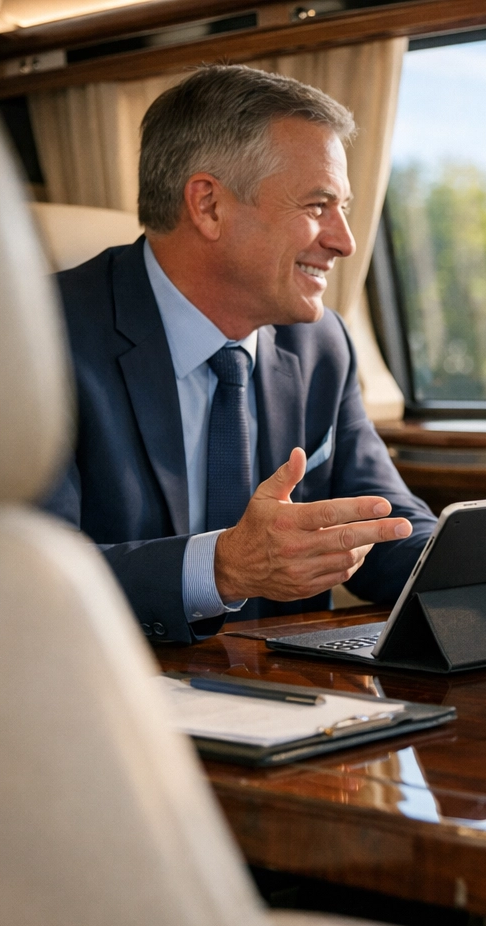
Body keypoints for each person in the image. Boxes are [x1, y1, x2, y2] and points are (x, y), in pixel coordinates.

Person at [43, 66, 435, 643]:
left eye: (344, 207)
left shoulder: (322, 343)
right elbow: (30, 579)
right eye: (318, 205)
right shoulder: (36, 338)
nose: (344, 241)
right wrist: (223, 568)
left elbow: (386, 529)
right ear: (208, 206)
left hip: (293, 702)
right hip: (112, 699)